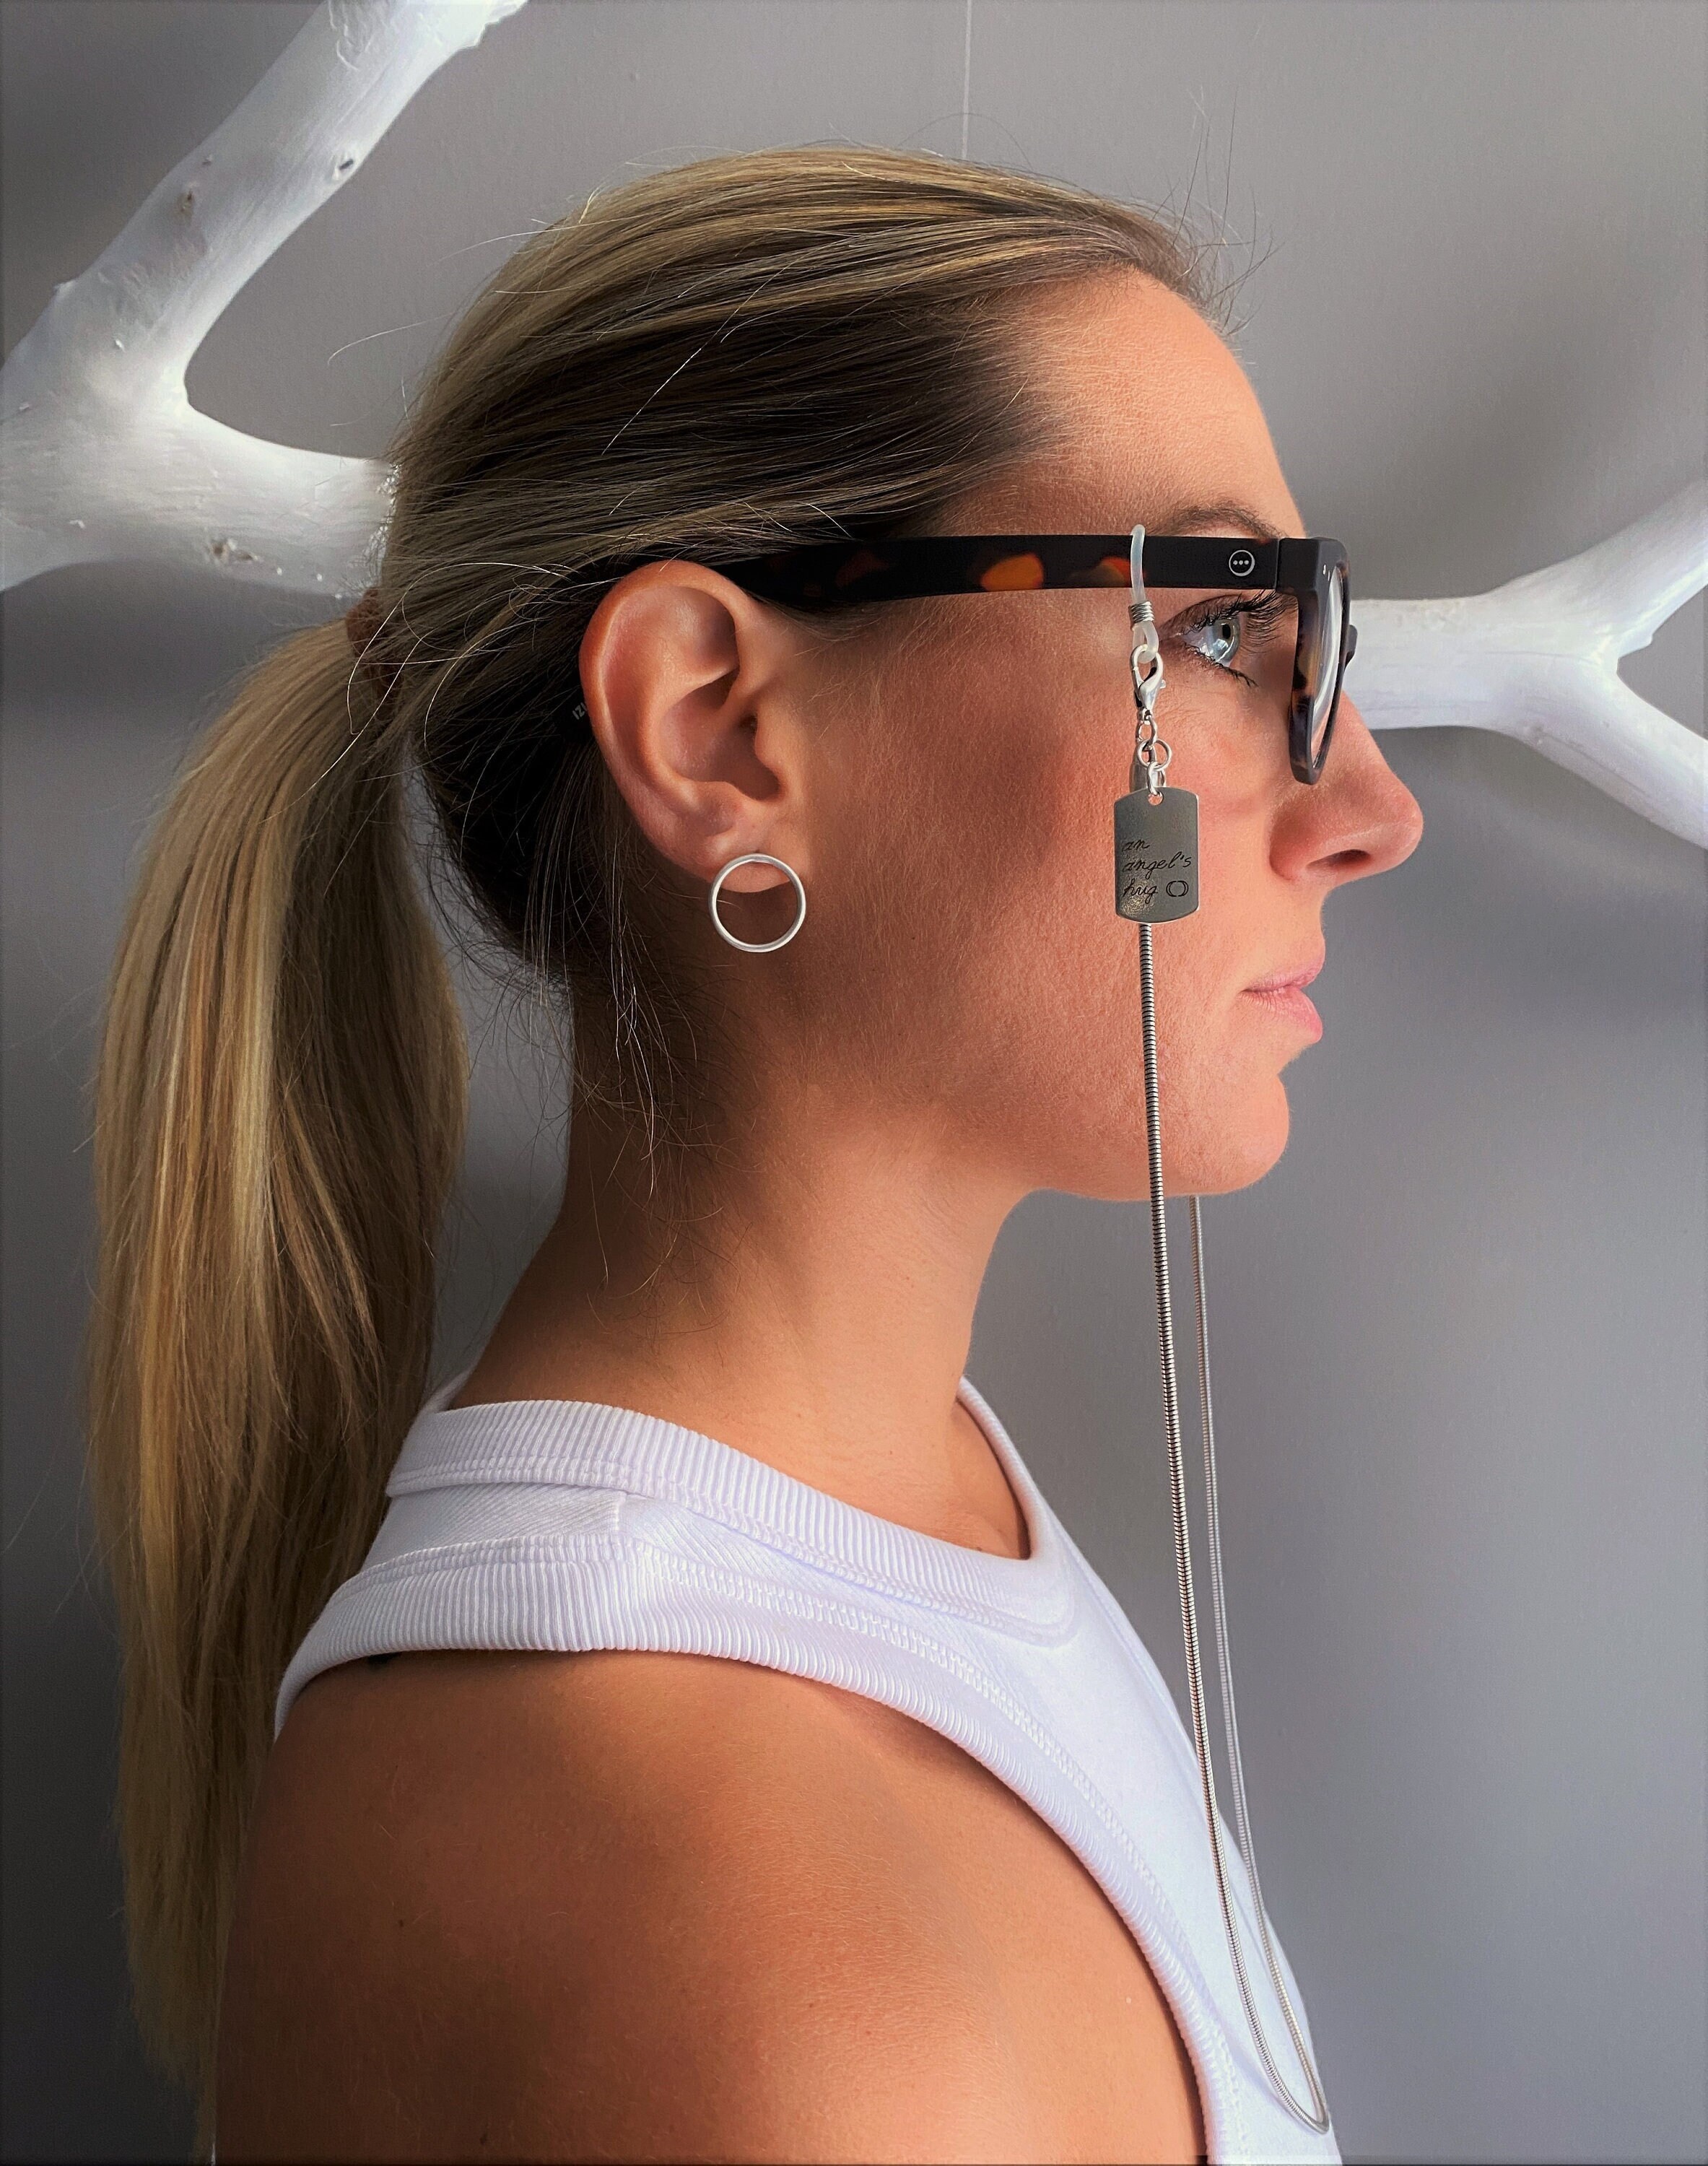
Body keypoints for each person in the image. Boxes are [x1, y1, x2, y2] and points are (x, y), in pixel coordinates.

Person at [88, 147, 1421, 2164]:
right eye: (1224, 631)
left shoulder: (886, 1505)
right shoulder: (762, 1981)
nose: (1371, 806)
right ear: (715, 729)